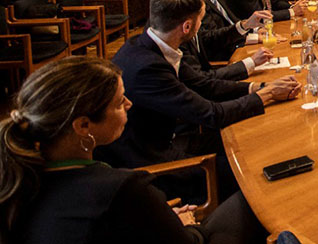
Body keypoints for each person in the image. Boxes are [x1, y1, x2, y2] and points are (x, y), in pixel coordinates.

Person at [0, 57, 268, 244]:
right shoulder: (122, 189)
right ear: (83, 125)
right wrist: (182, 225)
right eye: (119, 102)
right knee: (256, 195)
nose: (129, 104)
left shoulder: (19, 176)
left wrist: (157, 221)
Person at [96, 0, 300, 200]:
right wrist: (267, 95)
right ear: (187, 26)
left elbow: (204, 85)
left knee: (259, 141)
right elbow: (212, 114)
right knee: (255, 173)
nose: (201, 26)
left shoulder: (152, 44)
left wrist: (259, 87)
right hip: (151, 158)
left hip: (170, 137)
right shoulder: (149, 68)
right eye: (200, 20)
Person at [159, 0, 272, 79]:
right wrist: (257, 85)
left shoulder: (184, 16)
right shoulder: (172, 30)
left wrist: (245, 26)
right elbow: (201, 81)